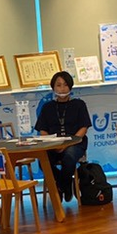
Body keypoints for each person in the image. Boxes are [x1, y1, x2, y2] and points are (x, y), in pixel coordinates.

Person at [34, 70, 91, 202]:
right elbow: (43, 130)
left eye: (65, 85)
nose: (62, 88)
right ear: (53, 88)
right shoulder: (47, 107)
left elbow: (84, 128)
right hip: (53, 145)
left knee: (69, 157)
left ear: (70, 87)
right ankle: (65, 183)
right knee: (43, 161)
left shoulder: (79, 104)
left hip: (75, 143)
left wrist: (67, 144)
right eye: (58, 85)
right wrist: (53, 144)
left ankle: (60, 186)